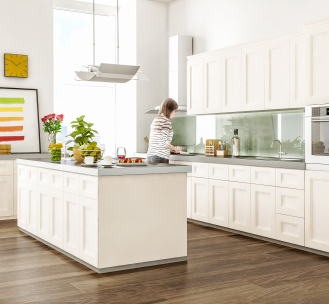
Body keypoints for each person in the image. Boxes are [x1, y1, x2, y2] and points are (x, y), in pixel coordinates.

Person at [147, 98, 181, 164]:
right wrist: (175, 149)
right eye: (175, 110)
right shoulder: (166, 121)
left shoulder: (156, 119)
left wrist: (172, 148)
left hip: (150, 157)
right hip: (160, 158)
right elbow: (164, 142)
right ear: (170, 110)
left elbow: (158, 140)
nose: (174, 113)